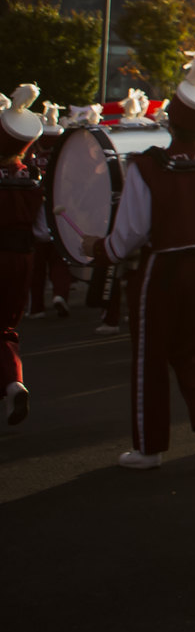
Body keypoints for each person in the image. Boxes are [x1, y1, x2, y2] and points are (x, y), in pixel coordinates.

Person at [105, 51, 195, 471]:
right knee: (188, 347)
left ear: (171, 118)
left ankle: (149, 447)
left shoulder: (149, 165)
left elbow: (130, 233)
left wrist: (100, 250)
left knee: (150, 353)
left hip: (162, 269)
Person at [0, 84, 49, 426]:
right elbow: (44, 230)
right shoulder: (33, 178)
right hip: (24, 257)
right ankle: (14, 382)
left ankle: (12, 384)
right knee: (6, 328)